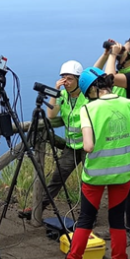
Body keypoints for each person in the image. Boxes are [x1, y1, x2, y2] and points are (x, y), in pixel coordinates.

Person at [64, 68, 130, 259]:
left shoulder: (88, 109)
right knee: (117, 221)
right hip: (122, 173)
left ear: (92, 90)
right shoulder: (129, 105)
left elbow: (87, 146)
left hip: (95, 175)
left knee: (85, 221)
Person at [95, 37, 130, 246]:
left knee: (129, 185)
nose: (120, 52)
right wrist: (106, 54)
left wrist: (112, 55)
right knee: (118, 184)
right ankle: (117, 228)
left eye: (124, 50)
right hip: (124, 141)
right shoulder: (124, 76)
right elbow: (96, 76)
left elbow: (108, 77)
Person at [39, 60, 88, 212]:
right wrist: (56, 90)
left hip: (88, 146)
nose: (66, 82)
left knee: (88, 182)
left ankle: (88, 214)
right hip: (71, 146)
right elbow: (51, 114)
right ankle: (39, 207)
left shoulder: (87, 95)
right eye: (63, 78)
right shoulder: (62, 95)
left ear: (79, 80)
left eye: (70, 78)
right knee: (58, 176)